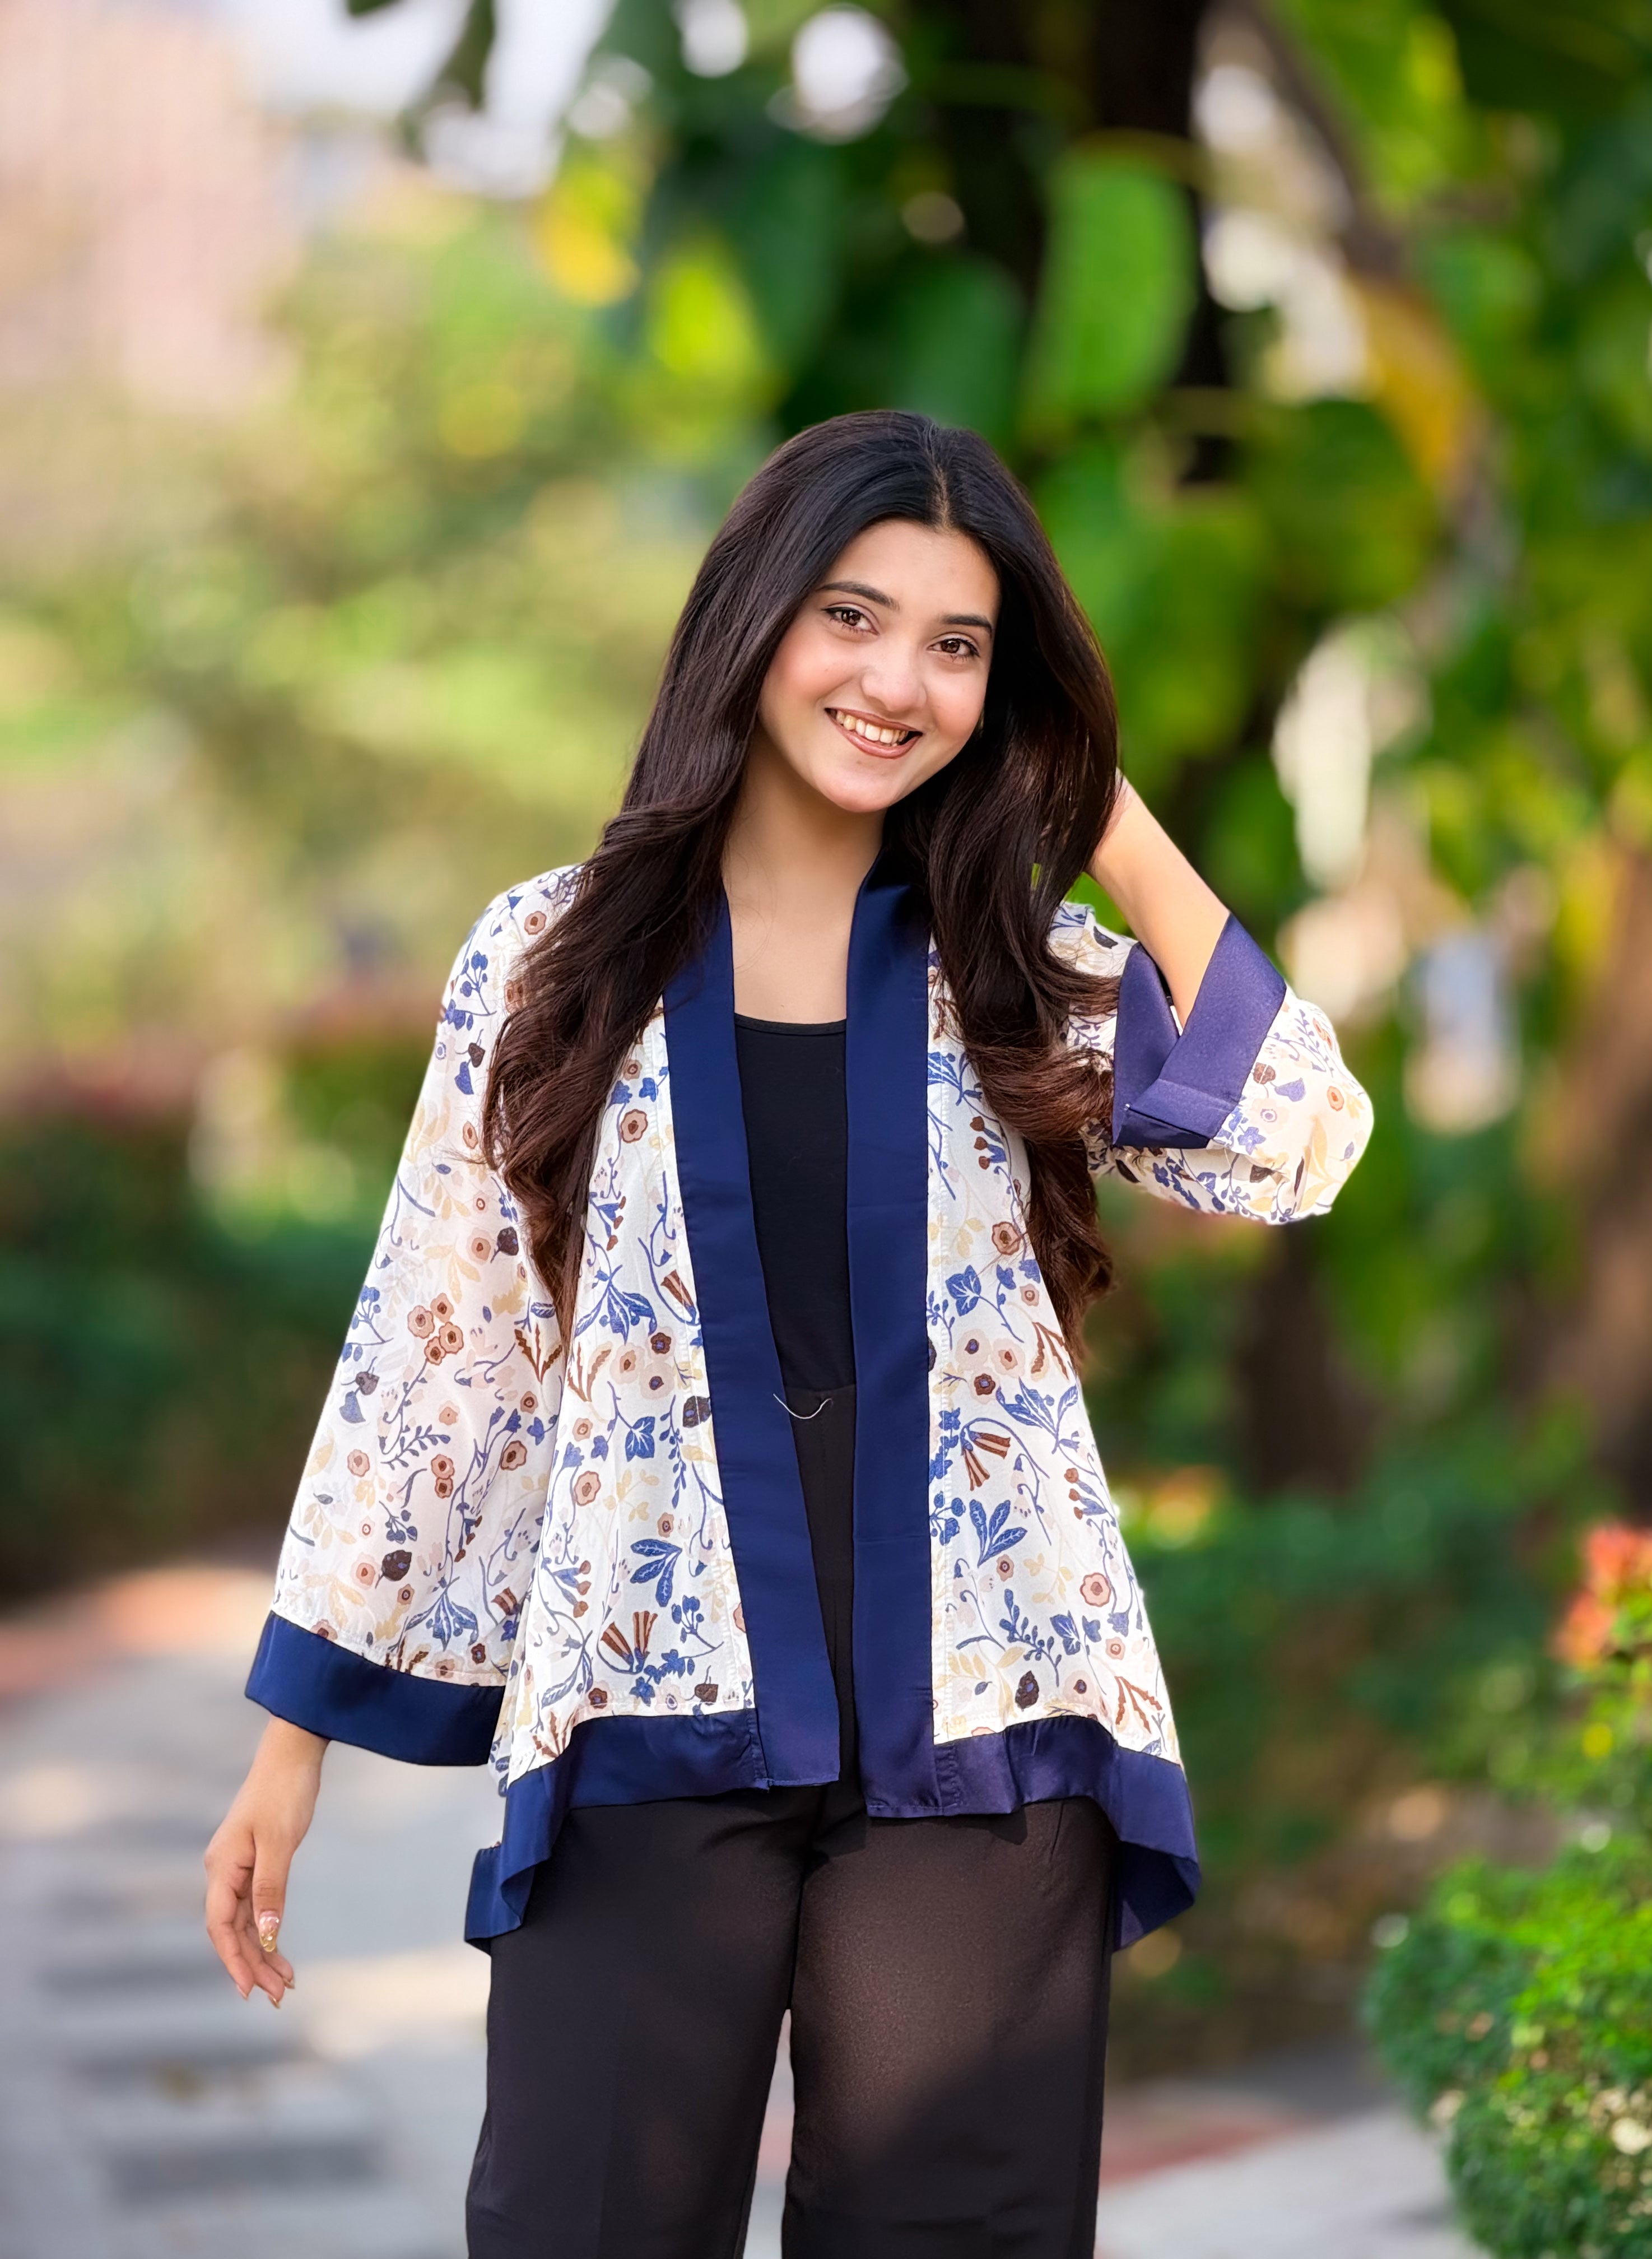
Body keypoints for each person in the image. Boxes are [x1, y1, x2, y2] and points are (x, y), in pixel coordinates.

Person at [205, 410, 1372, 2257]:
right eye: (854, 614)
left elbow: (1300, 1137)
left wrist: (1108, 807)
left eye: (961, 645)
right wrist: (294, 1740)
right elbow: (444, 1335)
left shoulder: (1026, 962)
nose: (897, 680)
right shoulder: (550, 955)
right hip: (649, 1705)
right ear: (755, 619)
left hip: (986, 1734)